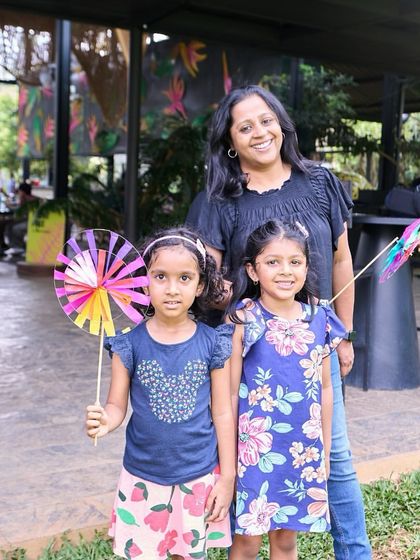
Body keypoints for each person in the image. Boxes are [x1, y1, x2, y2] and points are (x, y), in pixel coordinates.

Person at [186, 84, 372, 559]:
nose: (259, 132)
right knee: (249, 458)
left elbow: (341, 261)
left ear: (282, 123)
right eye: (244, 126)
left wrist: (344, 333)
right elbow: (205, 277)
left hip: (314, 340)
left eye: (266, 120)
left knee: (336, 459)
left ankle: (355, 553)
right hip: (249, 351)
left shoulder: (320, 181)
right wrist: (218, 293)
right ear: (231, 140)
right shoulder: (220, 197)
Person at [85, 226, 236, 560]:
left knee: (189, 554)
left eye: (184, 278)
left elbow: (223, 412)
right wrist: (104, 421)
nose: (172, 288)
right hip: (142, 474)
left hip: (198, 475)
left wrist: (227, 477)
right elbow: (116, 405)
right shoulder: (129, 341)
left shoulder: (213, 344)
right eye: (160, 276)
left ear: (200, 285)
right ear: (143, 280)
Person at [227, 220, 346, 559]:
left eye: (295, 261)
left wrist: (322, 450)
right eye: (272, 262)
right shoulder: (243, 319)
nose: (285, 271)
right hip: (253, 451)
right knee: (247, 540)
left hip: (301, 451)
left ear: (307, 267)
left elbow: (325, 388)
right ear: (252, 270)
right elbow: (230, 391)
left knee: (285, 540)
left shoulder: (319, 319)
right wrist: (231, 454)